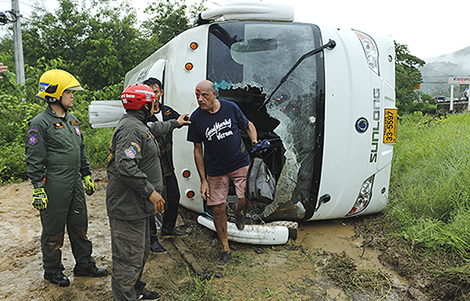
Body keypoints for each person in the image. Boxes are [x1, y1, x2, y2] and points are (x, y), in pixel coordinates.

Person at [25, 69, 108, 287]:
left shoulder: (73, 120)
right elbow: (34, 158)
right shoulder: (39, 124)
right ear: (55, 94)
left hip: (74, 183)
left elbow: (80, 150)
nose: (72, 96)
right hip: (54, 184)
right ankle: (52, 271)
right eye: (69, 92)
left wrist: (87, 173)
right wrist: (37, 187)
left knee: (79, 225)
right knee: (53, 231)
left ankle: (84, 265)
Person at [106, 83, 190, 300]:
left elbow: (154, 130)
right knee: (127, 258)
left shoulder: (138, 125)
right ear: (142, 103)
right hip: (128, 206)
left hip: (138, 206)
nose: (155, 102)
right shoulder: (130, 129)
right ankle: (125, 295)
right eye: (151, 99)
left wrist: (176, 123)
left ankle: (136, 290)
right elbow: (125, 165)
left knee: (140, 252)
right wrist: (150, 191)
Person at [187, 80, 258, 266]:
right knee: (217, 208)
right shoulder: (196, 119)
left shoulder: (230, 108)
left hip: (240, 162)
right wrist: (203, 180)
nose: (200, 99)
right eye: (197, 95)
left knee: (249, 199)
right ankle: (225, 249)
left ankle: (239, 211)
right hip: (216, 170)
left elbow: (248, 125)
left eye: (204, 95)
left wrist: (255, 143)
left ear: (214, 94)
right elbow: (197, 150)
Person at [143, 77, 188, 254]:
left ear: (161, 92)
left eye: (155, 91)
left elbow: (181, 120)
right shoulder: (144, 115)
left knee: (174, 197)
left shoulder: (168, 112)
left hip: (168, 166)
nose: (153, 95)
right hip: (152, 168)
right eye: (149, 92)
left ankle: (168, 229)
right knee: (153, 205)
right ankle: (152, 239)